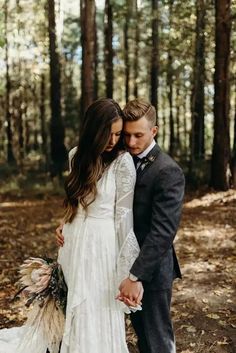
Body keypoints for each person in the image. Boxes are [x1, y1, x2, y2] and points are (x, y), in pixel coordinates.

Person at [0, 98, 143, 353]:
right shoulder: (76, 155)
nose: (113, 140)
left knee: (95, 305)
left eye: (118, 134)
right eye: (107, 134)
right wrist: (64, 222)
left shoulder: (123, 163)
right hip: (73, 241)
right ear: (93, 131)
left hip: (102, 245)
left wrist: (129, 272)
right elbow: (75, 202)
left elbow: (124, 218)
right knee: (70, 301)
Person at [117, 98, 185, 353]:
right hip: (125, 263)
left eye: (138, 135)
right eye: (127, 135)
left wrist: (137, 276)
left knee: (158, 339)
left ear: (154, 131)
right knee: (142, 336)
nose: (132, 142)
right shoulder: (121, 159)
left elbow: (163, 231)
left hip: (152, 270)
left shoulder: (168, 171)